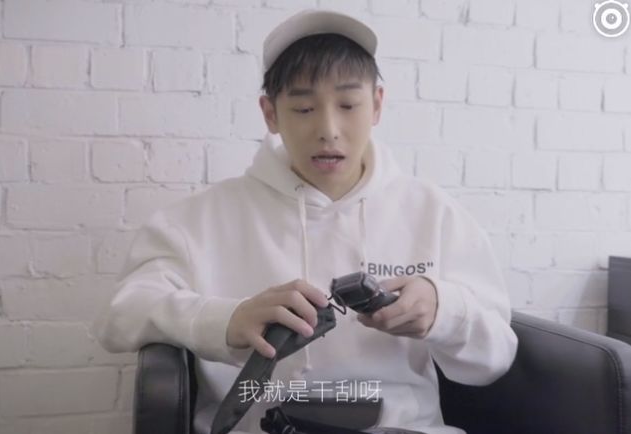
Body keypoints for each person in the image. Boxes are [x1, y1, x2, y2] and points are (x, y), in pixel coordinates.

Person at [94, 8, 518, 434]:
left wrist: (445, 310)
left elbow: (497, 358)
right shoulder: (201, 219)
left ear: (376, 104)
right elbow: (120, 315)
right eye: (302, 108)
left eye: (348, 105)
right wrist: (227, 320)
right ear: (270, 114)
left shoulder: (433, 214)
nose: (328, 129)